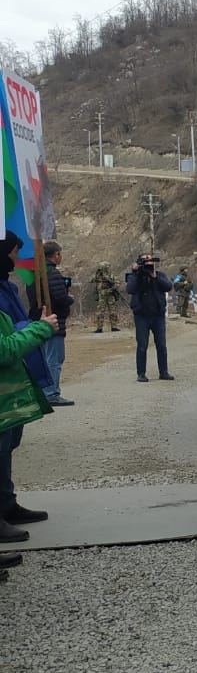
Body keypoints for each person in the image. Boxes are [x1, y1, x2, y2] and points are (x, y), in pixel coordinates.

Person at [0, 231, 59, 564]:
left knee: (7, 446)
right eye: (14, 253)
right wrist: (38, 328)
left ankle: (7, 505)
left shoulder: (7, 284)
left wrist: (31, 322)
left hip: (10, 390)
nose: (16, 260)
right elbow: (5, 347)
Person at [26, 239, 73, 406]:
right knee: (54, 358)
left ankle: (44, 392)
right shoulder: (52, 273)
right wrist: (70, 299)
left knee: (45, 358)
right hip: (53, 320)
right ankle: (51, 393)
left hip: (37, 320)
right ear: (56, 255)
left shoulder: (34, 273)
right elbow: (60, 297)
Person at [126, 254, 174, 383]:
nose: (148, 265)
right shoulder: (134, 276)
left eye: (150, 262)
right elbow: (130, 289)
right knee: (142, 345)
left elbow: (168, 287)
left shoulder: (159, 275)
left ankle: (163, 372)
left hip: (157, 316)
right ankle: (141, 373)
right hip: (142, 316)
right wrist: (135, 273)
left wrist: (154, 276)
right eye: (145, 263)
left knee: (162, 345)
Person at [93, 262, 122, 332]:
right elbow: (91, 280)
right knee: (100, 312)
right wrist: (97, 274)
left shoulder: (111, 276)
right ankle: (99, 328)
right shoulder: (98, 276)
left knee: (113, 311)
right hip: (102, 296)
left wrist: (112, 288)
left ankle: (114, 326)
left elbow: (118, 283)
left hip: (110, 295)